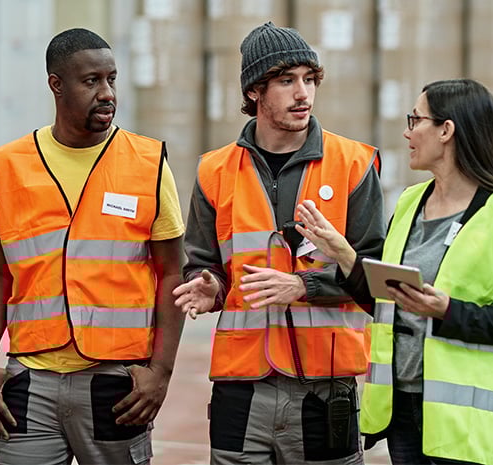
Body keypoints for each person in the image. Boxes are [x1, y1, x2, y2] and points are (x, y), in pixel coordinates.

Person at [295, 78, 493, 465]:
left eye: (415, 119)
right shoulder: (410, 202)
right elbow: (385, 303)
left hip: (465, 423)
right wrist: (344, 253)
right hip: (402, 411)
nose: (408, 132)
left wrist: (447, 311)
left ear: (446, 130)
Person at [171, 21, 385, 465]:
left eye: (309, 79)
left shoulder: (354, 164)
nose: (302, 93)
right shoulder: (214, 171)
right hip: (240, 387)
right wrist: (209, 286)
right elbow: (204, 263)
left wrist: (303, 286)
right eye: (286, 81)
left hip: (325, 387)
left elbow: (375, 274)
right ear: (254, 91)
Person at [0, 28, 186, 465]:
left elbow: (172, 273)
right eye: (91, 81)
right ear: (57, 84)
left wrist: (160, 372)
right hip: (29, 379)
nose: (107, 93)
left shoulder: (147, 164)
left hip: (116, 384)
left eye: (112, 79)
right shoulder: (7, 166)